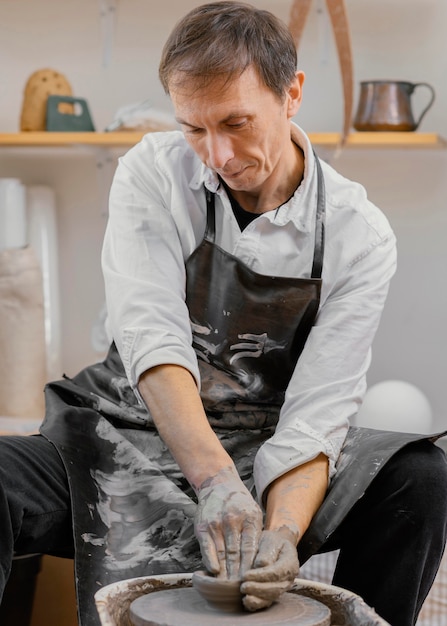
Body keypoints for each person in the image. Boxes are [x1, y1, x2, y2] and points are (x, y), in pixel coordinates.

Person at [0, 3, 446, 626]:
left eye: (237, 123)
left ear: (291, 93)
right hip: (124, 427)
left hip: (264, 445)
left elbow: (320, 407)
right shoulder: (152, 173)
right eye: (194, 129)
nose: (218, 154)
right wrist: (212, 483)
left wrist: (284, 529)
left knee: (420, 477)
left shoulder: (357, 234)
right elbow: (152, 338)